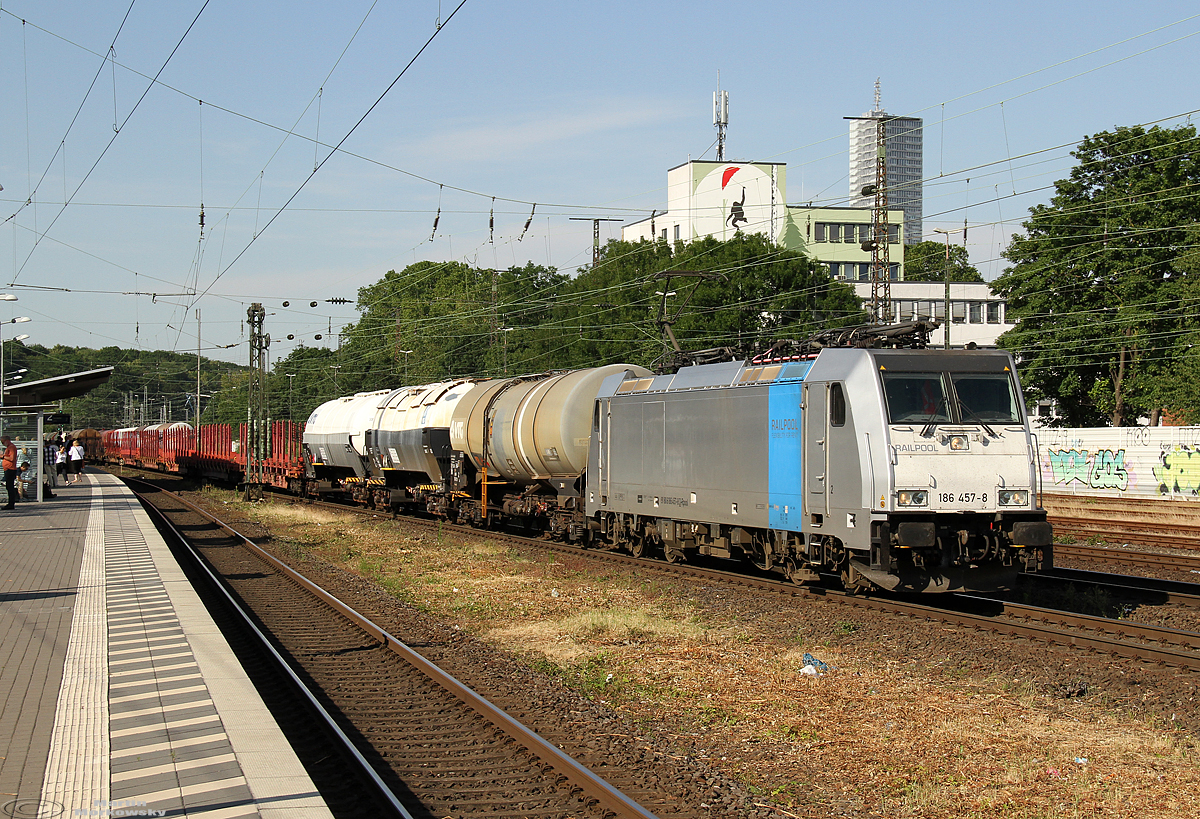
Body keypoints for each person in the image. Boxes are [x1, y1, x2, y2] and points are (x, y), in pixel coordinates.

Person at [2, 435, 18, 509]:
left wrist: (2, 456)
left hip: (10, 469)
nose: (2, 444)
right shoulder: (9, 447)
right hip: (8, 469)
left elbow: (11, 458)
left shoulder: (11, 447)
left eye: (3, 442)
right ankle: (10, 503)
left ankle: (11, 504)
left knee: (10, 487)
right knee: (9, 487)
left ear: (7, 440)